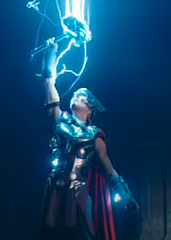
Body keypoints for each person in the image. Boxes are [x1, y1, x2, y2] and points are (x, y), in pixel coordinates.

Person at [39, 40, 135, 240]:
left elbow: (109, 170)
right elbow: (48, 83)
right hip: (56, 185)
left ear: (90, 109)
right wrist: (51, 54)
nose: (76, 97)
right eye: (76, 95)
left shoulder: (94, 136)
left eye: (82, 98)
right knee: (50, 230)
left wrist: (126, 196)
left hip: (79, 190)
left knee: (84, 232)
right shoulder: (60, 120)